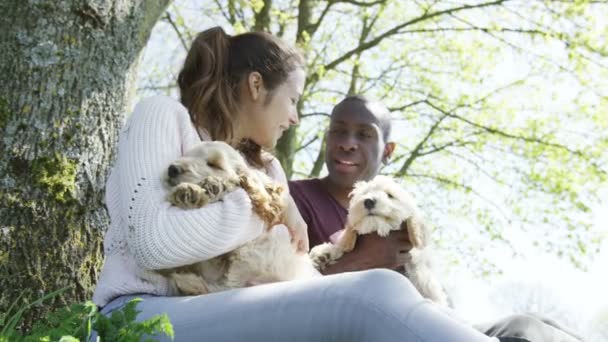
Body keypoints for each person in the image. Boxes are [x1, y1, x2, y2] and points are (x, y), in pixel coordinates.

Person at [92, 26, 501, 341]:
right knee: (372, 294)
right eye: (292, 99)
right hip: (139, 318)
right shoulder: (163, 117)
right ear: (256, 86)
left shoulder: (268, 169)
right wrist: (269, 208)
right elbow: (155, 243)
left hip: (228, 308)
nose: (296, 118)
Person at [289, 95, 583, 342]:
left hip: (428, 325)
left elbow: (432, 294)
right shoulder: (295, 200)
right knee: (523, 331)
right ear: (327, 138)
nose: (348, 143)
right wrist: (362, 261)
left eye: (364, 135)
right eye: (338, 131)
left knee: (537, 326)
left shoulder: (400, 215)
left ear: (388, 151)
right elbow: (278, 296)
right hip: (367, 331)